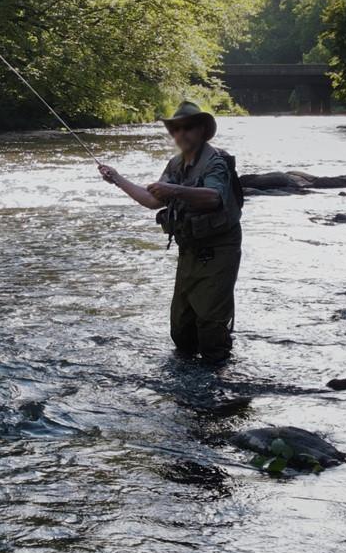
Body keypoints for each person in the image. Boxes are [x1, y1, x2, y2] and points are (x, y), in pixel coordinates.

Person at [99, 101, 243, 362]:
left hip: (220, 251)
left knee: (211, 329)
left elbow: (214, 198)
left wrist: (174, 191)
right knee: (182, 331)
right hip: (189, 250)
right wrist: (117, 179)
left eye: (188, 128)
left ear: (202, 130)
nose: (181, 134)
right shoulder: (175, 165)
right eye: (176, 129)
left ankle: (221, 386)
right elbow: (152, 200)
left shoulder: (216, 162)